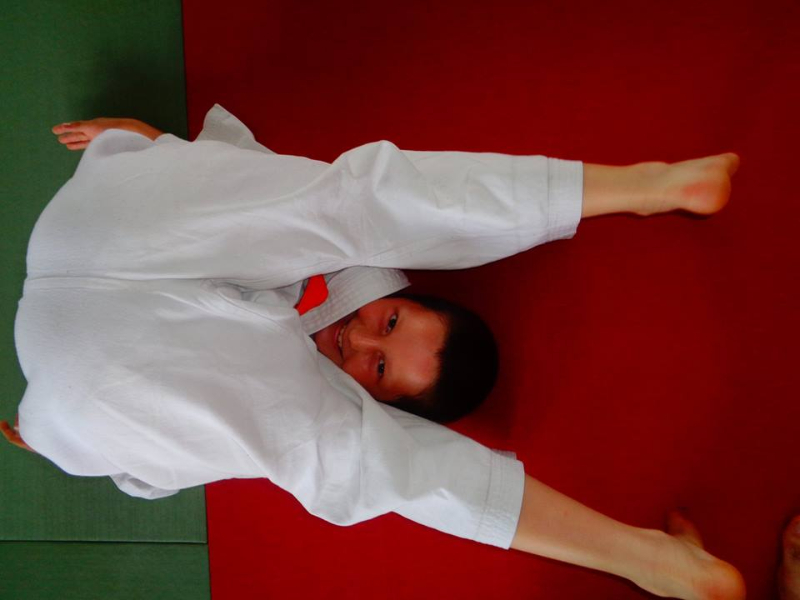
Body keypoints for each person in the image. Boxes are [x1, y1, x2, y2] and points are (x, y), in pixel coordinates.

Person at [2, 106, 757, 599]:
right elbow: (246, 181)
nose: (359, 339)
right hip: (102, 229)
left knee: (336, 454)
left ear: (380, 399)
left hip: (86, 364)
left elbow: (163, 449)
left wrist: (65, 433)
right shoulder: (349, 270)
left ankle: (651, 559)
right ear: (401, 294)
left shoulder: (309, 398)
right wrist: (152, 150)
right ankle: (651, 185)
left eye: (380, 368)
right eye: (390, 322)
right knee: (351, 205)